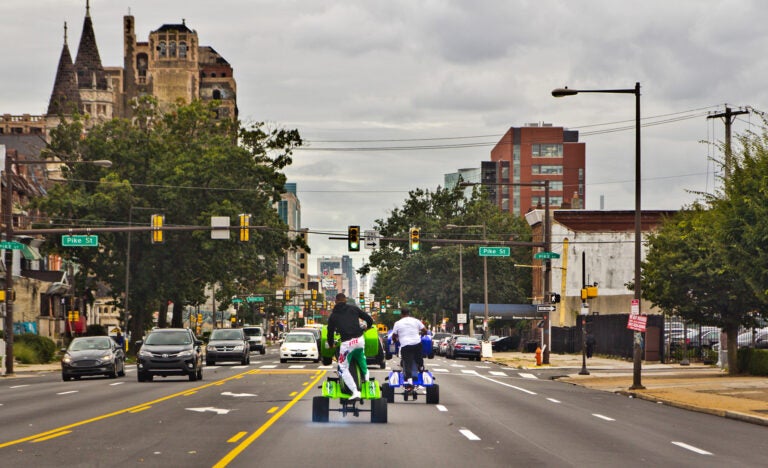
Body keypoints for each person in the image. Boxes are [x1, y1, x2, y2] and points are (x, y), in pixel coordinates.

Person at [327, 293, 374, 401]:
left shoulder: (333, 315)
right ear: (345, 300)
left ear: (335, 301)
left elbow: (330, 333)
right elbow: (369, 319)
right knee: (361, 357)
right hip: (359, 340)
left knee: (343, 367)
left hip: (347, 344)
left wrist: (331, 344)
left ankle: (355, 391)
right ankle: (366, 381)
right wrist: (367, 327)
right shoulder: (353, 309)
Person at [391, 308, 427, 388]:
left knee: (407, 363)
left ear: (401, 314)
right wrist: (422, 334)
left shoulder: (397, 323)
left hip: (406, 346)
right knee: (419, 358)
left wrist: (395, 340)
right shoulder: (416, 321)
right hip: (417, 343)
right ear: (409, 313)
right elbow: (425, 330)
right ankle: (421, 367)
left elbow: (394, 335)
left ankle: (410, 381)